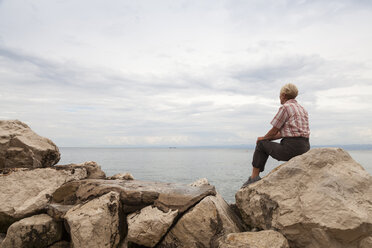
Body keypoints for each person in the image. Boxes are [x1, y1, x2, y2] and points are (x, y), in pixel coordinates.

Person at [242, 83, 310, 187]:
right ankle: (254, 177)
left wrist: (263, 139)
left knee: (261, 144)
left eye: (280, 96)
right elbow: (283, 134)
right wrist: (266, 139)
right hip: (305, 148)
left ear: (283, 95)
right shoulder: (302, 109)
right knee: (264, 142)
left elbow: (274, 131)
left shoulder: (285, 108)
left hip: (291, 149)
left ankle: (253, 178)